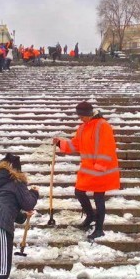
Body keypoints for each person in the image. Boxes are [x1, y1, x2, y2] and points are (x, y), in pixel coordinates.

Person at [53, 101, 120, 240]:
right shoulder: (82, 127)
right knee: (79, 191)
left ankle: (99, 229)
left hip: (102, 169)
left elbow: (107, 147)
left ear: (90, 114)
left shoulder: (103, 125)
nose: (81, 119)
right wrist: (60, 143)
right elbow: (76, 144)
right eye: (79, 116)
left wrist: (100, 166)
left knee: (99, 198)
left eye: (83, 116)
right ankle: (90, 216)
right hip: (88, 168)